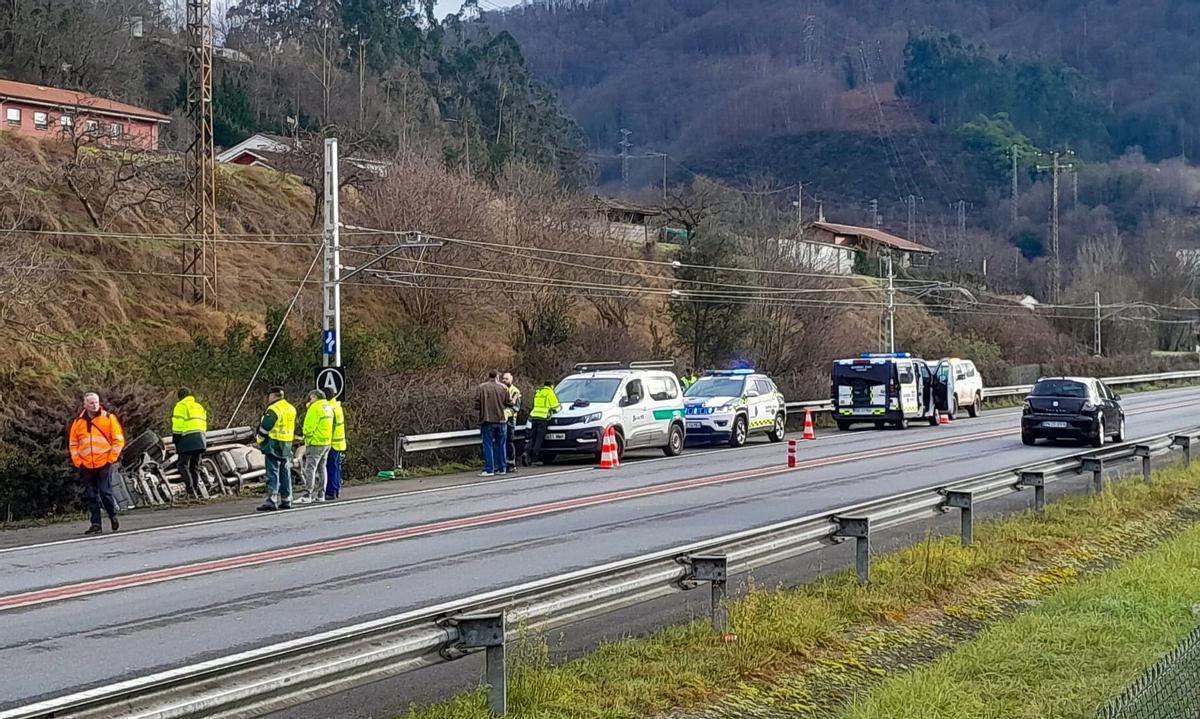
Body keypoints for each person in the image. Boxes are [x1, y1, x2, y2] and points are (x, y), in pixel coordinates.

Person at [69, 392, 126, 535]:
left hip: (104, 462)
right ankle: (96, 524)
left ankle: (112, 515)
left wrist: (111, 458)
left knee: (105, 492)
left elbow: (118, 440)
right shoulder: (78, 422)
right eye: (91, 403)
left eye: (96, 402)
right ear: (85, 405)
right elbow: (73, 443)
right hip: (86, 464)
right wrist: (78, 461)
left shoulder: (108, 418)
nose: (94, 405)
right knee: (91, 495)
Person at [256, 386, 296, 512]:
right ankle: (286, 499)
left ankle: (272, 500)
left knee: (272, 472)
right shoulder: (291, 408)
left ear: (273, 396)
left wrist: (259, 439)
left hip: (273, 443)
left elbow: (266, 426)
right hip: (287, 443)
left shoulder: (274, 409)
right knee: (285, 472)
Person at [299, 389, 334, 504]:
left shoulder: (314, 408)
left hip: (315, 442)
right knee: (322, 468)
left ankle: (307, 495)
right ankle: (321, 494)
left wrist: (305, 436)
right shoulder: (328, 406)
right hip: (326, 441)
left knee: (310, 469)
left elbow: (309, 427)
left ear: (313, 397)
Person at [171, 388, 208, 498]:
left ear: (180, 397)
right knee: (195, 466)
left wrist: (176, 440)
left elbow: (177, 425)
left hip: (187, 439)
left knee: (182, 464)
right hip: (201, 439)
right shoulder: (198, 406)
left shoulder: (181, 406)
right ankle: (196, 491)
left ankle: (190, 490)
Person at [474, 370, 510, 477]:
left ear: (489, 376)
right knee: (501, 444)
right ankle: (502, 468)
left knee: (488, 444)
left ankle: (489, 469)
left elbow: (477, 405)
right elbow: (509, 403)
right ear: (497, 377)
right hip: (501, 420)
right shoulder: (504, 388)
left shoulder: (481, 387)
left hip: (487, 419)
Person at [525, 379, 561, 466]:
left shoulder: (538, 392)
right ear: (551, 386)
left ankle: (526, 452)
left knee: (532, 437)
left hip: (534, 417)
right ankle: (534, 457)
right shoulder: (550, 393)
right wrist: (559, 408)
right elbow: (555, 407)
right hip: (543, 418)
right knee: (539, 439)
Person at [325, 397, 347, 500]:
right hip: (339, 442)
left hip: (332, 442)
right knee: (336, 467)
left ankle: (331, 491)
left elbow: (329, 426)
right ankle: (336, 490)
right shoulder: (337, 406)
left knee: (331, 467)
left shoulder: (329, 408)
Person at [501, 372, 522, 472]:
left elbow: (516, 408)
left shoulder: (515, 391)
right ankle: (503, 463)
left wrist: (505, 413)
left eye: (506, 379)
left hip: (510, 421)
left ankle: (511, 464)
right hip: (501, 420)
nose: (504, 381)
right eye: (503, 379)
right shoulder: (502, 389)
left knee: (509, 441)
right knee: (502, 442)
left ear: (511, 379)